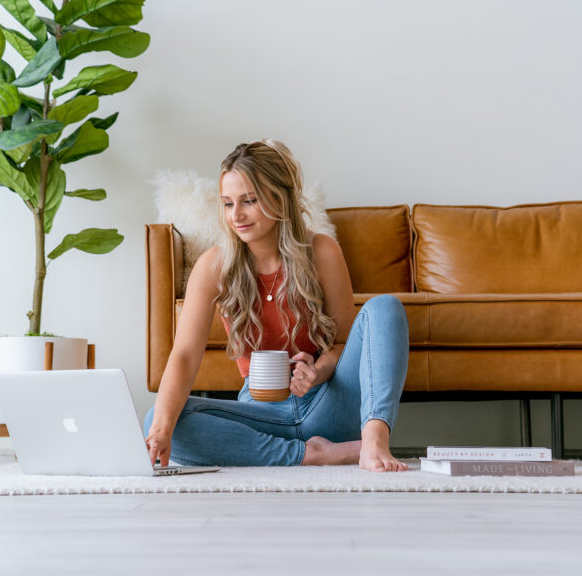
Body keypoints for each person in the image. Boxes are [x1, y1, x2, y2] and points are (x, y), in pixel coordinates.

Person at [143, 139, 410, 472]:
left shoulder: (322, 251)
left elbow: (342, 343)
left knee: (385, 307)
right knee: (158, 418)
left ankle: (373, 442)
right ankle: (316, 454)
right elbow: (183, 355)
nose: (235, 215)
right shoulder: (214, 265)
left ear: (278, 198)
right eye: (227, 204)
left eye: (249, 201)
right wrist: (160, 432)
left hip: (326, 404)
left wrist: (316, 373)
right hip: (261, 414)